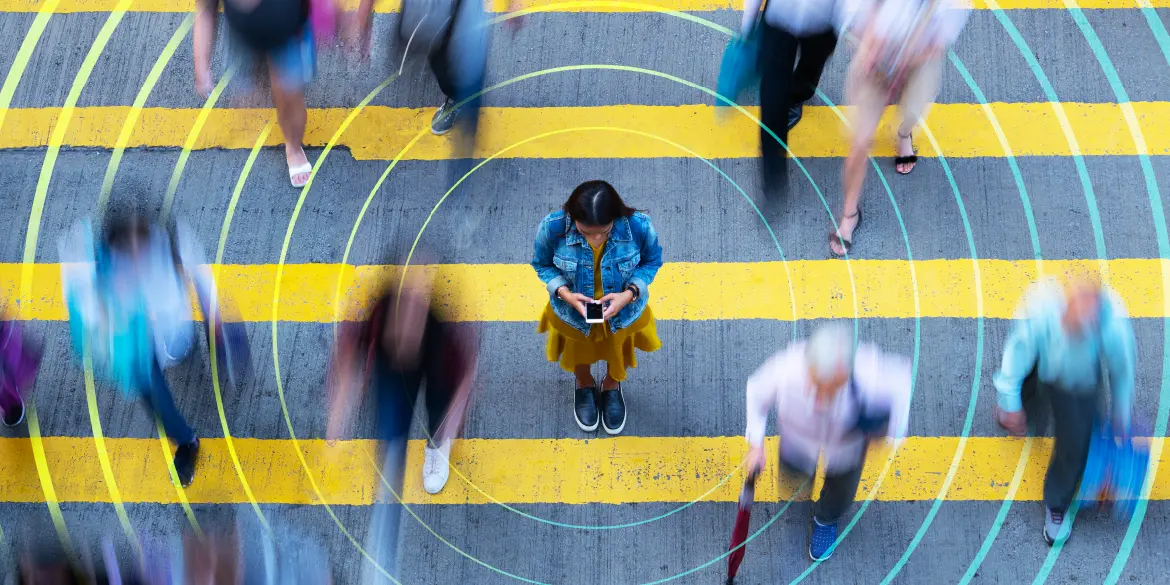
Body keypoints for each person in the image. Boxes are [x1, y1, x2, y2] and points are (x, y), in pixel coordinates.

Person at [327, 277, 477, 583]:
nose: (404, 335)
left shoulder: (445, 340)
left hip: (437, 371)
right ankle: (381, 563)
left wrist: (450, 427)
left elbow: (464, 382)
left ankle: (436, 447)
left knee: (439, 410)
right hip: (392, 374)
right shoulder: (378, 316)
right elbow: (348, 351)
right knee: (391, 448)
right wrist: (339, 410)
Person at [59, 213, 220, 487]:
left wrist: (213, 317)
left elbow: (200, 276)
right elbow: (83, 298)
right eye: (127, 243)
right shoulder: (104, 263)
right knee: (157, 400)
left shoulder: (170, 243)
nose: (134, 251)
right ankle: (187, 441)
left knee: (184, 356)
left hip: (172, 336)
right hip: (137, 349)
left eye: (139, 241)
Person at [745, 323, 911, 561]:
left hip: (846, 448)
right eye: (817, 384)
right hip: (798, 442)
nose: (822, 398)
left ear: (846, 372)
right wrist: (756, 446)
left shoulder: (870, 374)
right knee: (795, 478)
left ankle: (825, 519)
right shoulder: (787, 369)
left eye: (832, 387)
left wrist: (891, 432)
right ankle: (804, 488)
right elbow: (756, 392)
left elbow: (901, 384)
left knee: (841, 490)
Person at [993, 276, 1136, 545]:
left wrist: (1121, 414)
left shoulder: (1113, 325)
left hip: (1076, 381)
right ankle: (1020, 409)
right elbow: (1018, 352)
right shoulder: (1041, 307)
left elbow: (1122, 370)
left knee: (1075, 444)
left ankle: (1057, 504)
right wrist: (1009, 402)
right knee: (1023, 384)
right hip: (1041, 355)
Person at [830, 0, 968, 256]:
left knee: (911, 113)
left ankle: (904, 134)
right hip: (874, 55)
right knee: (859, 142)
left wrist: (908, 59)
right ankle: (850, 213)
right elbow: (849, 14)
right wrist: (869, 44)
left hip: (919, 61)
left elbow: (941, 39)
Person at [531, 181, 663, 435]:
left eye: (604, 231)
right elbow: (542, 264)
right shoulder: (553, 227)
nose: (596, 239)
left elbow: (652, 261)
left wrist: (629, 294)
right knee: (578, 353)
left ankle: (611, 385)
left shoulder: (639, 226)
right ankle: (584, 383)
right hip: (572, 313)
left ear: (615, 217)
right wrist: (565, 294)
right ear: (573, 218)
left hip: (624, 312)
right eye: (586, 232)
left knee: (619, 351)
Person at [195, 0, 316, 188]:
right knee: (263, 78)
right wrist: (201, 65)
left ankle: (293, 146)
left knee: (290, 97)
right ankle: (261, 69)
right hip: (246, 37)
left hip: (290, 35)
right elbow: (205, 10)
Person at [741, 0, 841, 195]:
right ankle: (773, 175)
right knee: (774, 92)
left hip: (817, 21)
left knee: (809, 68)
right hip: (791, 18)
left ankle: (797, 95)